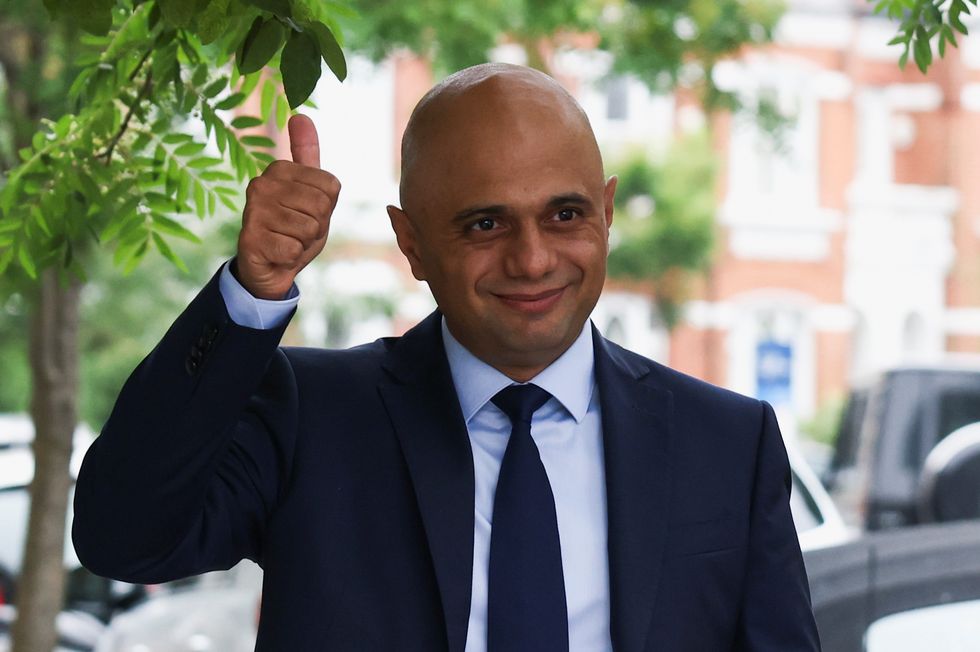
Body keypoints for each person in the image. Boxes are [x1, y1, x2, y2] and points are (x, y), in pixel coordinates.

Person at [72, 63, 820, 651]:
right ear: (412, 243)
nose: (532, 260)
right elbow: (123, 536)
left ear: (608, 211)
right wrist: (251, 293)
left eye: (565, 215)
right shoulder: (312, 416)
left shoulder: (728, 443)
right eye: (484, 224)